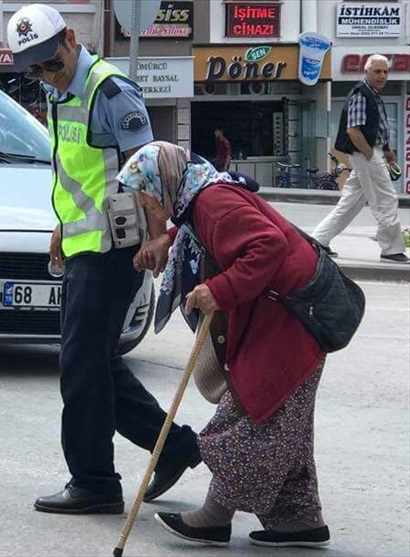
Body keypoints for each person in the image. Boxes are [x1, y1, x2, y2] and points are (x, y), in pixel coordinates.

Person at [6, 4, 201, 514]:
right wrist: (62, 227)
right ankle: (174, 446)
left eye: (51, 62)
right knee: (97, 363)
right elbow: (80, 174)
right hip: (82, 245)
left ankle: (94, 481)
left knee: (80, 366)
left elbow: (149, 170)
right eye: (35, 69)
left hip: (115, 251)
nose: (47, 75)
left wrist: (157, 239)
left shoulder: (110, 91)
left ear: (71, 38)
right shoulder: (59, 93)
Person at [117, 141, 331, 548]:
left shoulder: (212, 202)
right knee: (283, 422)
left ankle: (214, 518)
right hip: (286, 316)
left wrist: (219, 289)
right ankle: (298, 519)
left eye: (147, 198)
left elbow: (267, 244)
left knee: (253, 413)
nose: (147, 206)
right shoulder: (198, 198)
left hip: (292, 320)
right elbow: (212, 227)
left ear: (163, 184)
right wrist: (171, 237)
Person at [313, 54, 409, 263]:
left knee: (351, 201)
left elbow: (377, 126)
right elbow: (353, 131)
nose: (382, 75)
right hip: (365, 153)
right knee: (386, 199)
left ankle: (318, 240)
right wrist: (370, 155)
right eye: (377, 71)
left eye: (385, 71)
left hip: (371, 152)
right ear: (366, 72)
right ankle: (391, 249)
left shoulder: (373, 93)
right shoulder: (361, 94)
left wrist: (386, 149)